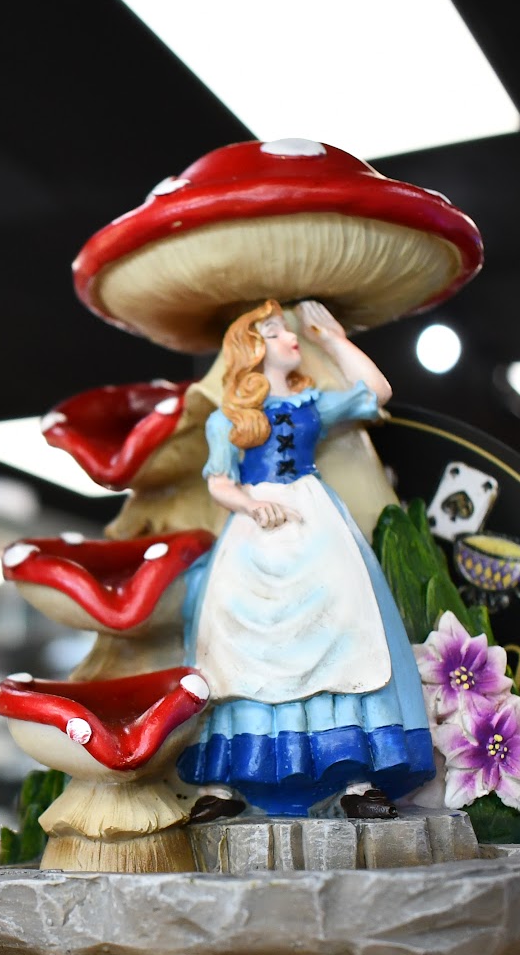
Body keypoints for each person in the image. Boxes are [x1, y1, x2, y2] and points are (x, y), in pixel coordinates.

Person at [178, 298, 435, 816]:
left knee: (344, 625)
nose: (289, 336)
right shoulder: (228, 421)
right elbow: (219, 482)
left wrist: (334, 339)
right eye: (275, 332)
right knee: (235, 639)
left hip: (315, 524)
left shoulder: (311, 405)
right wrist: (252, 504)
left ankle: (353, 774)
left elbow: (376, 391)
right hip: (255, 534)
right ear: (253, 349)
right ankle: (228, 781)